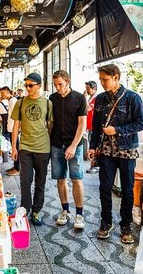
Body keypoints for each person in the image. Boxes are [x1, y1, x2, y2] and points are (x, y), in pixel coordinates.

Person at [88, 64, 143, 244]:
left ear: (116, 77)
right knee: (104, 188)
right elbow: (96, 126)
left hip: (126, 150)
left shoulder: (132, 97)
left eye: (105, 79)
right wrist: (92, 145)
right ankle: (106, 222)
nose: (102, 83)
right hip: (105, 151)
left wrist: (117, 130)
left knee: (127, 190)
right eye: (101, 79)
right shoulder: (100, 99)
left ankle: (125, 226)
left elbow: (141, 122)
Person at [11, 73, 53, 226]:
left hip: (43, 148)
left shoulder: (48, 103)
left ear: (39, 86)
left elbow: (50, 126)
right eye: (26, 85)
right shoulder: (20, 103)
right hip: (25, 147)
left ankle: (36, 210)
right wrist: (14, 147)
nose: (28, 88)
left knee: (40, 181)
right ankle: (25, 208)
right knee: (25, 179)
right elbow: (16, 126)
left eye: (31, 85)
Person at [49, 70, 87, 230]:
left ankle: (79, 214)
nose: (58, 88)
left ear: (68, 81)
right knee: (60, 178)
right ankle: (65, 210)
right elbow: (50, 122)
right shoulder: (52, 98)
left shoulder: (79, 98)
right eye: (55, 85)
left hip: (75, 144)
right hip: (56, 143)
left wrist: (73, 145)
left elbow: (82, 124)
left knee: (76, 178)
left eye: (61, 84)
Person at [4, 86, 19, 176]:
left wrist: (15, 128)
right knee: (14, 148)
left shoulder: (13, 100)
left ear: (8, 92)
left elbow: (16, 116)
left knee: (16, 148)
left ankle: (17, 169)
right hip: (11, 127)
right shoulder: (10, 100)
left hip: (14, 128)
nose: (2, 95)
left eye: (3, 93)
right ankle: (15, 166)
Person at [84, 81, 98, 174]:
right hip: (90, 126)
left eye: (88, 89)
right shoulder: (91, 98)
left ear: (94, 89)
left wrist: (84, 98)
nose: (87, 90)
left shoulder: (96, 99)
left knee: (93, 146)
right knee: (90, 144)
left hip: (93, 126)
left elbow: (88, 108)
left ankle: (95, 166)